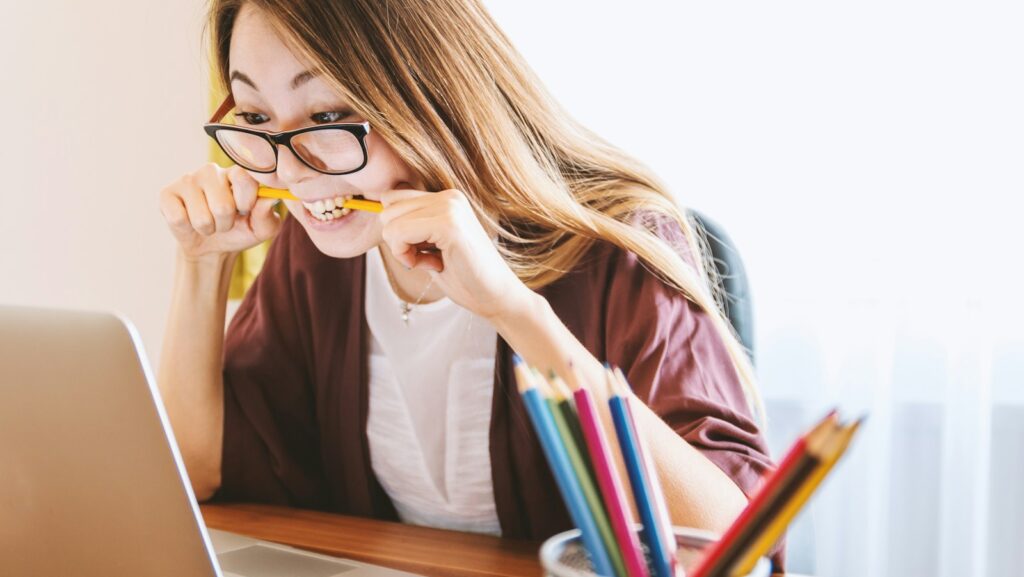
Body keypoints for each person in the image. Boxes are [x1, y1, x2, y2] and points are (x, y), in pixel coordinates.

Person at [157, 0, 784, 569]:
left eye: (328, 113)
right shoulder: (316, 253)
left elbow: (730, 542)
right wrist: (202, 264)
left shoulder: (617, 246)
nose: (291, 170)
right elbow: (196, 472)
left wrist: (513, 310)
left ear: (429, 95)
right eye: (259, 116)